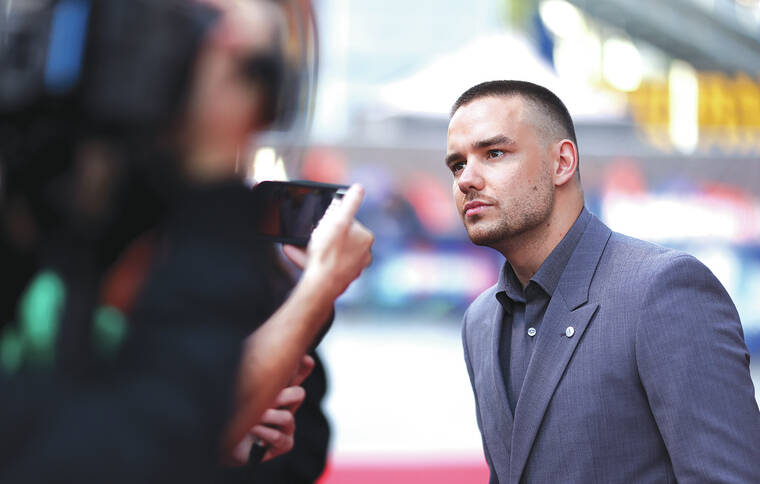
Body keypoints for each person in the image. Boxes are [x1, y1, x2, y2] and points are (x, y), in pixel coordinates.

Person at [0, 0, 372, 482]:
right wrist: (315, 290)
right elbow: (134, 445)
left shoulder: (240, 263)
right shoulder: (50, 237)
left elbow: (301, 448)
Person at [446, 80, 760, 483]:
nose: (466, 179)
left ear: (562, 162)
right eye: (457, 165)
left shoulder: (662, 290)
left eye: (494, 153)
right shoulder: (480, 321)